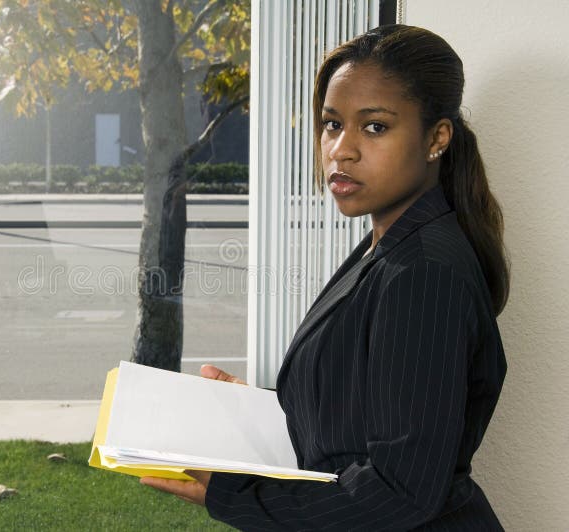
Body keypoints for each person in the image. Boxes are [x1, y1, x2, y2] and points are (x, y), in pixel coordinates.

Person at [141, 24, 509, 530]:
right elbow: (368, 411)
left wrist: (235, 494)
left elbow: (400, 491)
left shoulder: (423, 272)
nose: (342, 149)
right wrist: (259, 414)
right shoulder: (388, 242)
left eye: (375, 127)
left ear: (436, 138)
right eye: (332, 124)